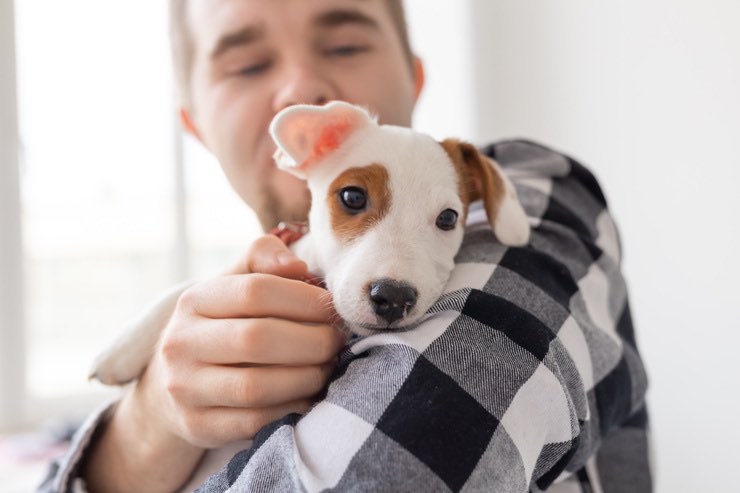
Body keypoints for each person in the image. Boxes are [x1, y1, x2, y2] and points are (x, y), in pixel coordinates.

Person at [40, 0, 651, 492]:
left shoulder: (538, 193)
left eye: (344, 45)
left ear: (413, 72)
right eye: (248, 64)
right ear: (195, 123)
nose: (300, 83)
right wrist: (146, 427)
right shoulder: (237, 294)